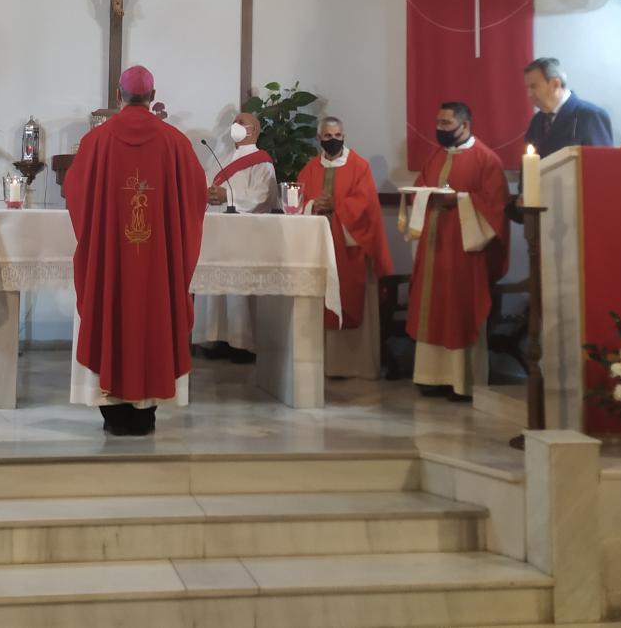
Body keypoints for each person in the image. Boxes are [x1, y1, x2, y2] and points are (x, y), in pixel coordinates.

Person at [64, 64, 207, 436]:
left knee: (111, 310)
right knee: (155, 314)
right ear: (153, 97)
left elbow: (75, 193)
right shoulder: (176, 143)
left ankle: (114, 415)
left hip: (112, 259)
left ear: (118, 96)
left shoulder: (96, 142)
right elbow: (196, 196)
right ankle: (146, 415)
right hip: (157, 263)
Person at [407, 102, 510, 401]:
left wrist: (461, 200)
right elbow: (418, 189)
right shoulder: (436, 156)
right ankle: (430, 377)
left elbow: (495, 207)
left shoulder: (487, 159)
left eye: (446, 123)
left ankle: (462, 381)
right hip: (433, 247)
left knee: (459, 309)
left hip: (466, 251)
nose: (439, 129)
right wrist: (426, 197)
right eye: (438, 122)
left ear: (465, 125)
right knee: (432, 307)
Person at [296, 117, 394, 380]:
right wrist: (313, 205)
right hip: (318, 250)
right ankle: (324, 365)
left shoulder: (359, 166)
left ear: (344, 136)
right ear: (319, 138)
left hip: (350, 248)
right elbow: (299, 201)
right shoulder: (309, 169)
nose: (333, 140)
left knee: (351, 296)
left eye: (337, 135)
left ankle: (355, 366)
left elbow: (366, 205)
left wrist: (336, 206)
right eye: (328, 136)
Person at [194, 111, 278, 361]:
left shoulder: (262, 162)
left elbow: (263, 196)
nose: (235, 126)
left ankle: (241, 343)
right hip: (217, 233)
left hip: (245, 236)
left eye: (241, 123)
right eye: (234, 123)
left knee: (238, 289)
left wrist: (227, 197)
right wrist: (208, 194)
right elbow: (207, 186)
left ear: (255, 130)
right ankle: (213, 339)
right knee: (214, 286)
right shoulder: (221, 159)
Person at [522, 57, 613, 157]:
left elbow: (603, 163)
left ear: (555, 84)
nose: (529, 94)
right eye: (528, 88)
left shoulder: (590, 116)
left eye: (533, 86)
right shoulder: (537, 121)